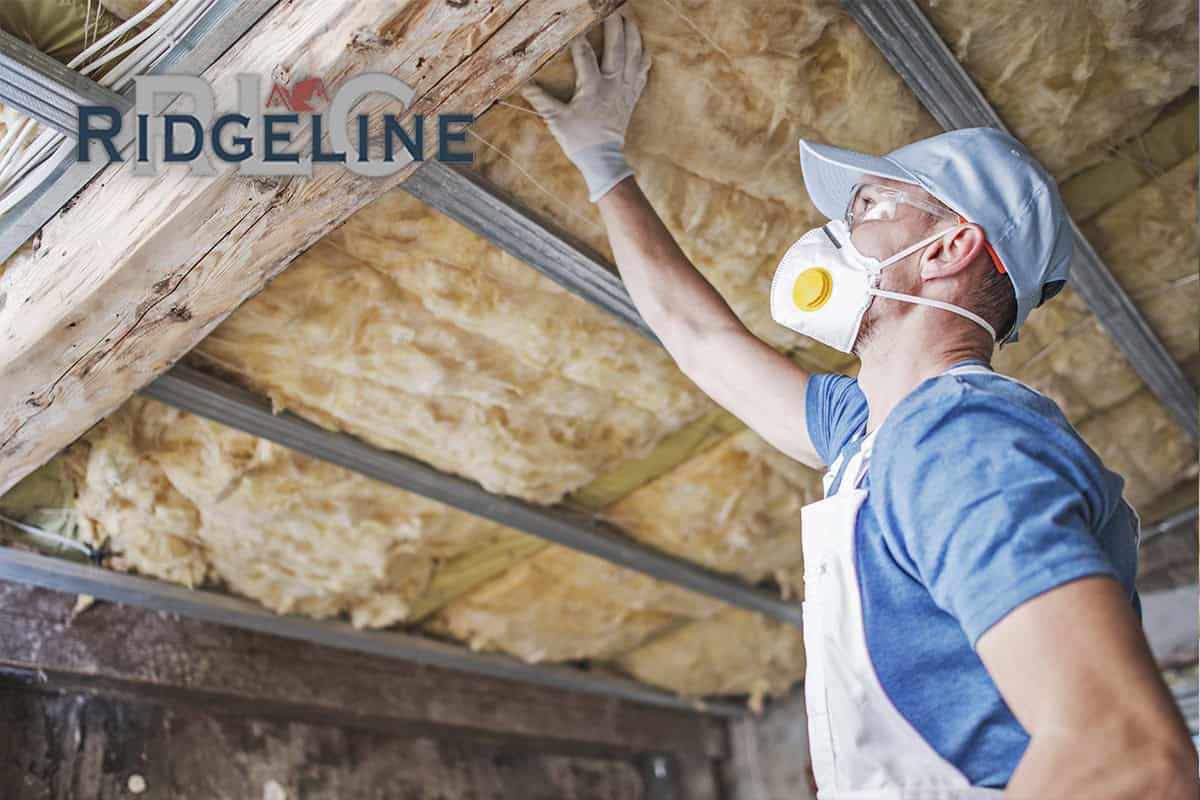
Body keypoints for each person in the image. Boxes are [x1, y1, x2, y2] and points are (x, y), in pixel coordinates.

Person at [520, 12, 1199, 800]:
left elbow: (1128, 757)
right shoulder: (875, 438)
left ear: (951, 249)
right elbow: (699, 337)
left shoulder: (961, 439)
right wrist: (604, 165)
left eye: (871, 208)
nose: (835, 230)